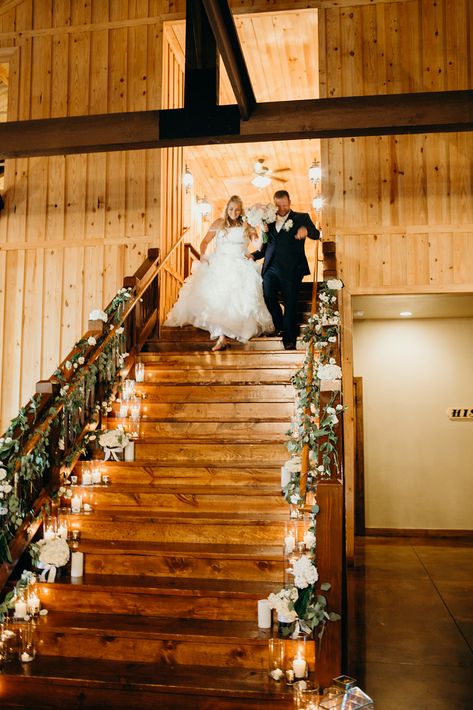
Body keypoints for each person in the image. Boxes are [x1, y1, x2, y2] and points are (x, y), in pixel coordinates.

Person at [165, 195, 274, 351]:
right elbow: (204, 242)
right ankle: (221, 337)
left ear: (241, 210)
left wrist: (262, 231)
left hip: (239, 265)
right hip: (219, 263)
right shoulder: (218, 223)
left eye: (237, 210)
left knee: (235, 301)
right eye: (231, 209)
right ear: (227, 209)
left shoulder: (246, 225)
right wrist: (202, 256)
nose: (234, 212)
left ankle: (234, 331)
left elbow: (258, 246)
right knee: (217, 300)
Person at [249, 190, 320, 350]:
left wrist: (307, 231)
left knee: (291, 303)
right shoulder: (268, 219)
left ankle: (289, 340)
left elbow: (317, 234)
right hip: (271, 266)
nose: (281, 208)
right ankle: (279, 323)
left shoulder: (302, 217)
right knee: (268, 295)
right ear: (274, 204)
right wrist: (254, 255)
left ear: (290, 202)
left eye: (284, 205)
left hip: (292, 268)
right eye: (278, 205)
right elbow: (265, 245)